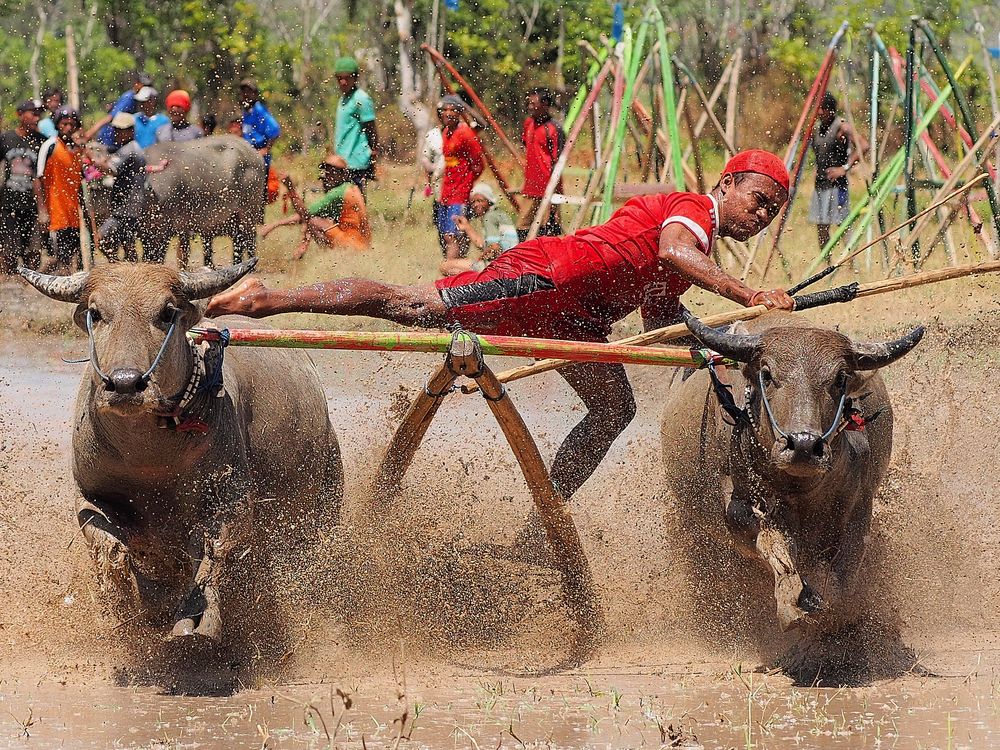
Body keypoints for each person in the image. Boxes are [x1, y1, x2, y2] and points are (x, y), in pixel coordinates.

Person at [207, 150, 794, 499]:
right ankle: (267, 297)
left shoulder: (694, 247)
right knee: (415, 307)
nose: (760, 215)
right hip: (549, 278)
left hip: (580, 320)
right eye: (757, 199)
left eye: (771, 212)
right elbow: (672, 253)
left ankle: (543, 522)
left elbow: (664, 318)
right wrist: (749, 291)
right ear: (725, 184)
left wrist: (716, 348)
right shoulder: (691, 212)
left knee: (616, 409)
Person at [92, 112, 168, 262]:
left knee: (100, 239)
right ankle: (129, 269)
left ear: (131, 131)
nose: (117, 133)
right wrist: (157, 168)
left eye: (122, 130)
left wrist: (91, 157)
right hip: (132, 207)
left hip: (124, 209)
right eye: (116, 130)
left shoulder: (128, 150)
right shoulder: (135, 148)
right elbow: (140, 169)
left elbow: (109, 169)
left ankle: (117, 265)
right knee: (128, 245)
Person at [260, 153, 371, 255]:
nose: (327, 176)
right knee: (317, 219)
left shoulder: (338, 193)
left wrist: (290, 189)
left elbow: (305, 214)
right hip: (362, 245)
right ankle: (302, 248)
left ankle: (328, 256)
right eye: (326, 171)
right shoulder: (351, 188)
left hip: (352, 246)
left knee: (313, 221)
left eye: (332, 171)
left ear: (343, 174)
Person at [809, 93, 868, 251]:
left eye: (822, 108)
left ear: (830, 109)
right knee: (821, 227)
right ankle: (825, 263)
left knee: (843, 224)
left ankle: (850, 261)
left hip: (837, 186)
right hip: (821, 185)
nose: (819, 112)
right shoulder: (817, 130)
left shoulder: (842, 126)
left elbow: (863, 145)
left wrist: (844, 168)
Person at [35, 107, 85, 274]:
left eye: (72, 124)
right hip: (56, 213)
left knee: (73, 258)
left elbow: (80, 184)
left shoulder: (76, 150)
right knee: (58, 259)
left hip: (73, 215)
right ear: (58, 125)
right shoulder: (49, 145)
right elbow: (38, 179)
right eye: (64, 124)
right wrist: (42, 210)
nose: (68, 127)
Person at [436, 95, 484, 261]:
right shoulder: (445, 132)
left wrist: (467, 182)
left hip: (460, 192)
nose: (448, 113)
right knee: (446, 234)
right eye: (445, 110)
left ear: (459, 113)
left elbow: (479, 164)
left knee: (452, 235)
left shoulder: (466, 133)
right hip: (446, 191)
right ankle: (458, 269)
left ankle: (451, 270)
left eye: (452, 110)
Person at [0, 99, 46, 273]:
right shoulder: (6, 139)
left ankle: (31, 293)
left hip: (33, 207)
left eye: (39, 114)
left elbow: (42, 176)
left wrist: (43, 210)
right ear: (19, 114)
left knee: (33, 253)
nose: (36, 118)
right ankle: (10, 293)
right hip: (8, 205)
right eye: (33, 113)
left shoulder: (41, 141)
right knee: (8, 253)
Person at [441, 182, 517, 276]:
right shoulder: (497, 214)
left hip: (498, 266)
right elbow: (483, 244)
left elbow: (494, 247)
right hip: (508, 264)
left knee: (445, 266)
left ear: (488, 200)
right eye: (473, 202)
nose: (476, 204)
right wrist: (467, 227)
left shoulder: (489, 217)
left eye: (480, 200)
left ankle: (475, 281)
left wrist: (480, 258)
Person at [518, 87, 564, 241]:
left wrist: (555, 191)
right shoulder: (528, 124)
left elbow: (558, 161)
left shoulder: (553, 129)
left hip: (548, 188)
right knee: (523, 226)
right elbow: (527, 146)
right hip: (531, 186)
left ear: (545, 104)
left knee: (547, 229)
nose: (530, 107)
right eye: (529, 103)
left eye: (533, 103)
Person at [333, 56, 380, 197]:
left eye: (347, 78)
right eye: (340, 78)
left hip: (356, 161)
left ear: (355, 78)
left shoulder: (361, 99)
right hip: (342, 161)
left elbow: (371, 128)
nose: (343, 82)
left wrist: (373, 154)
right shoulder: (343, 99)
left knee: (355, 204)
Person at [95, 71, 153, 148]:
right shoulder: (129, 98)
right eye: (144, 85)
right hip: (109, 140)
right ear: (137, 84)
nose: (146, 88)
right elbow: (110, 118)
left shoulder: (140, 99)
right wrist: (89, 134)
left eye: (148, 86)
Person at [239, 79, 280, 172]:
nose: (246, 95)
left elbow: (275, 130)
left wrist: (265, 149)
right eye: (243, 92)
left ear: (255, 94)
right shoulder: (246, 111)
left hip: (259, 158)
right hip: (247, 155)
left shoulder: (260, 111)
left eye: (249, 92)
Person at [421, 123, 445, 235]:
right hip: (439, 183)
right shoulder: (432, 135)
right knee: (440, 219)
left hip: (458, 182)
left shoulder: (463, 130)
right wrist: (428, 184)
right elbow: (426, 160)